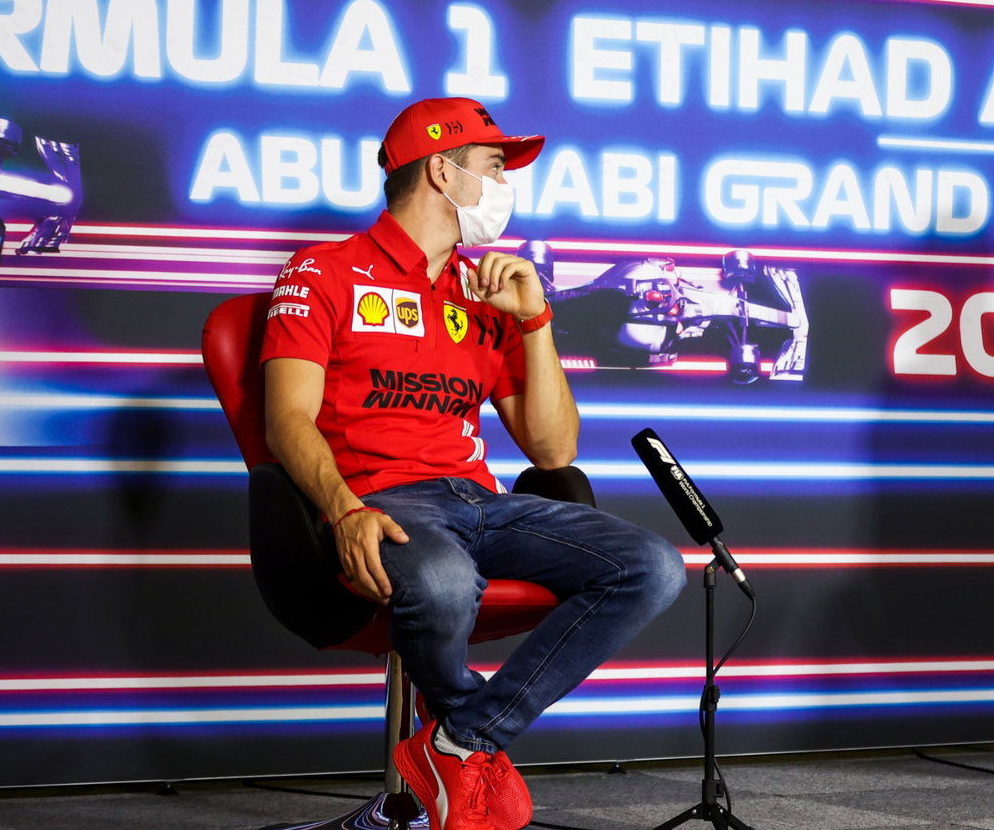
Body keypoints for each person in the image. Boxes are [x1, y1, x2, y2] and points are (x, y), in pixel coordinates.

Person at [260, 97, 687, 830]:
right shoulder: (324, 272)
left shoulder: (483, 289)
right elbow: (285, 419)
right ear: (441, 170)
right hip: (385, 501)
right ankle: (461, 740)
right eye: (494, 167)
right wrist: (344, 509)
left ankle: (458, 741)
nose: (504, 186)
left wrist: (533, 318)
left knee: (654, 566)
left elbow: (553, 450)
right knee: (444, 579)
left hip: (482, 502)